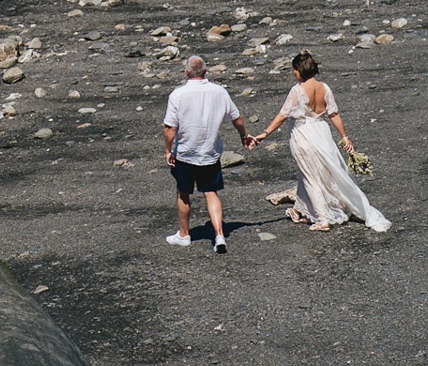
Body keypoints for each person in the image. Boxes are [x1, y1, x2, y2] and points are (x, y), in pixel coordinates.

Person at [249, 51, 390, 232]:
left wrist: (265, 133)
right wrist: (344, 136)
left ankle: (322, 219)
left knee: (310, 176)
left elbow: (283, 115)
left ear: (299, 71)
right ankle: (300, 209)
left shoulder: (297, 90)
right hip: (322, 131)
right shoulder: (325, 87)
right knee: (317, 172)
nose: (294, 73)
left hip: (303, 133)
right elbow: (333, 114)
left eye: (294, 70)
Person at [162, 54, 252, 253]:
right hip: (209, 151)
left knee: (183, 193)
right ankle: (219, 234)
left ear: (186, 72)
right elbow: (236, 117)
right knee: (211, 192)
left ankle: (184, 234)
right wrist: (244, 135)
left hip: (185, 152)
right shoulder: (219, 91)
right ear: (206, 71)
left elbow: (169, 127)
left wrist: (168, 150)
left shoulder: (178, 94)